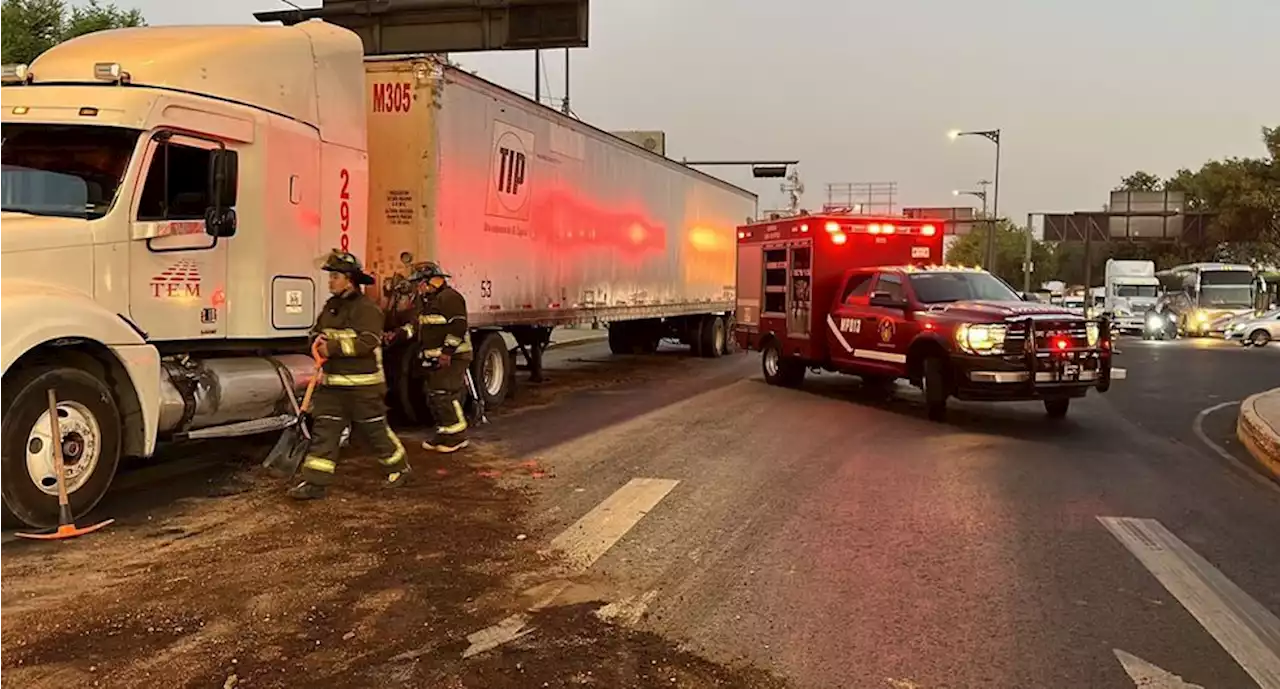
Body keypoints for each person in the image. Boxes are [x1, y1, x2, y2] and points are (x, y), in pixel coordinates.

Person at [290, 249, 411, 500]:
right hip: (333, 386)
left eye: (336, 276)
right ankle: (315, 483)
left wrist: (331, 347)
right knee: (325, 431)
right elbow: (316, 331)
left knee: (374, 430)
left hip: (363, 388)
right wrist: (315, 340)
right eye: (331, 276)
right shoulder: (331, 307)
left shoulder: (366, 309)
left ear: (350, 280)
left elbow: (368, 341)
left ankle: (399, 468)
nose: (330, 281)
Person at [408, 262, 473, 453]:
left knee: (445, 395)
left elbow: (458, 327)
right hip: (436, 356)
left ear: (432, 281)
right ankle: (444, 434)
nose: (418, 287)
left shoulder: (450, 298)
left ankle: (458, 437)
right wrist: (396, 335)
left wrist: (447, 352)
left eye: (420, 283)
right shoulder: (427, 301)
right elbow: (417, 326)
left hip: (454, 356)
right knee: (434, 395)